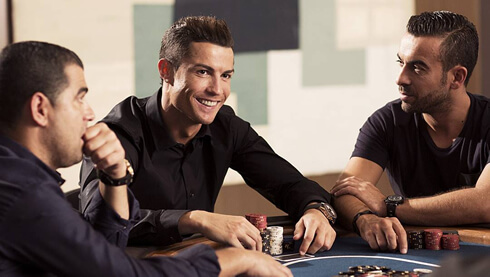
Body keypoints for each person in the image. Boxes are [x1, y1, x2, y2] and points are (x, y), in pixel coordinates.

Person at [0, 40, 292, 277]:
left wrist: (115, 179)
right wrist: (233, 261)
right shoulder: (23, 193)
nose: (89, 113)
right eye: (79, 98)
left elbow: (103, 250)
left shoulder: (19, 177)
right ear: (40, 108)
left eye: (226, 75)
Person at [79, 15, 336, 255]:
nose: (217, 89)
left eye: (225, 76)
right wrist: (195, 219)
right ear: (165, 71)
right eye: (203, 72)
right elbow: (98, 224)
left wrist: (315, 210)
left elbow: (287, 183)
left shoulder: (227, 126)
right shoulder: (119, 132)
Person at [331, 10, 488, 254]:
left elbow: (485, 202)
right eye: (400, 62)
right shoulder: (386, 121)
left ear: (456, 77)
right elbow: (345, 191)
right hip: (416, 255)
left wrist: (390, 207)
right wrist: (366, 219)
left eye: (417, 68)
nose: (400, 78)